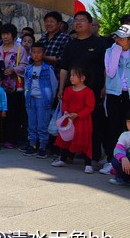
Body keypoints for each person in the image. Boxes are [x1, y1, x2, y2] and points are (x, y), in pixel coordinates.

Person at [57, 11, 111, 167]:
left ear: (90, 24)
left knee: (94, 124)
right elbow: (64, 68)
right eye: (76, 20)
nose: (78, 23)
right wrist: (61, 88)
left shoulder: (100, 43)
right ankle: (67, 155)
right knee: (69, 122)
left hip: (93, 91)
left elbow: (105, 67)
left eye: (82, 20)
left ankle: (94, 157)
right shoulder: (70, 44)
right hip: (71, 91)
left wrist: (105, 86)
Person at [0, 23, 28, 149]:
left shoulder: (20, 49)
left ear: (13, 35)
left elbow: (25, 66)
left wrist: (13, 70)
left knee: (12, 113)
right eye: (3, 34)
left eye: (8, 34)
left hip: (13, 87)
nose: (5, 36)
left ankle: (11, 139)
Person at [52, 67, 96, 173]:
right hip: (69, 119)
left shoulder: (88, 92)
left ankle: (88, 163)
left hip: (82, 121)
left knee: (85, 140)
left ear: (82, 78)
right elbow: (65, 102)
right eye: (70, 75)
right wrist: (66, 112)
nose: (71, 77)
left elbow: (89, 107)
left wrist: (78, 115)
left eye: (73, 75)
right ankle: (62, 158)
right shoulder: (68, 90)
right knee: (65, 138)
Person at [23, 42, 58, 158]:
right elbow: (26, 83)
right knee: (32, 123)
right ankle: (32, 144)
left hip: (43, 99)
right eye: (34, 52)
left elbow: (54, 84)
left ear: (43, 54)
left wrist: (50, 98)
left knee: (42, 124)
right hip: (30, 98)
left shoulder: (48, 69)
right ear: (31, 54)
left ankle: (43, 146)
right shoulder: (28, 69)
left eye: (39, 53)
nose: (36, 55)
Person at [103, 24, 130, 173]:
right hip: (114, 92)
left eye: (122, 37)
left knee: (127, 127)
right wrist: (117, 51)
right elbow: (111, 72)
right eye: (117, 36)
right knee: (113, 126)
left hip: (129, 93)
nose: (118, 39)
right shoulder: (110, 51)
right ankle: (112, 161)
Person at [38, 11, 70, 75]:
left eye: (51, 22)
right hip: (40, 77)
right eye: (47, 21)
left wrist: (43, 57)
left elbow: (63, 59)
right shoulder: (42, 39)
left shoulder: (65, 38)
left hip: (56, 77)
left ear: (59, 24)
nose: (48, 24)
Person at [108, 112, 130, 185]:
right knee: (115, 161)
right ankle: (123, 179)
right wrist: (123, 158)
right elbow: (118, 149)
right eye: (128, 122)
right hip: (127, 162)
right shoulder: (125, 135)